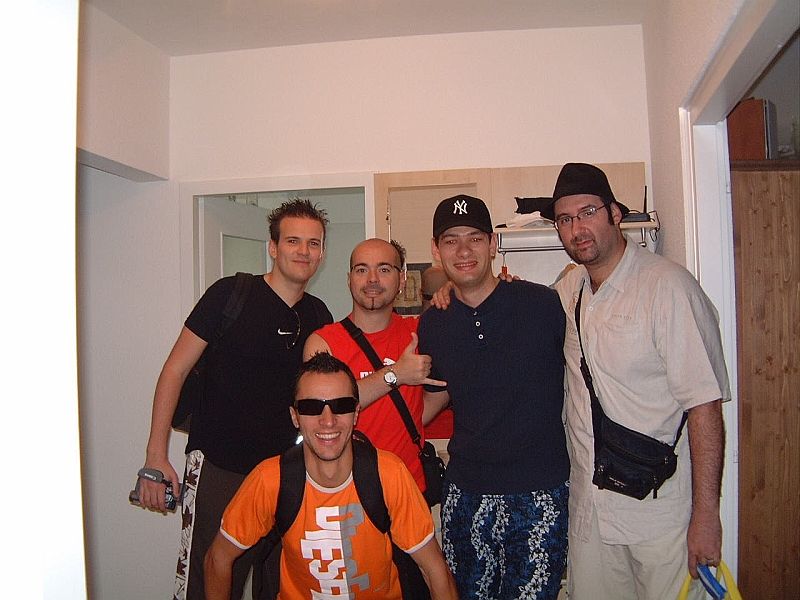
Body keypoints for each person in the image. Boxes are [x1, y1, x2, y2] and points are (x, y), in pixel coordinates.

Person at [543, 163, 729, 600]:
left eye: (588, 213)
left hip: (659, 514)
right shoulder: (570, 290)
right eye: (565, 220)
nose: (577, 229)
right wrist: (455, 290)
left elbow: (704, 406)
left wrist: (707, 516)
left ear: (615, 213)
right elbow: (514, 308)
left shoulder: (668, 288)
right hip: (590, 513)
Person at [138, 199, 333, 600]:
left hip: (287, 475)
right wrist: (156, 456)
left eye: (313, 243)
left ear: (322, 253)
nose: (303, 251)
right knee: (206, 583)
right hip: (219, 470)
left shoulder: (318, 315)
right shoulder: (230, 294)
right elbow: (174, 370)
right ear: (273, 247)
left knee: (282, 588)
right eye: (293, 241)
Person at [204, 352, 459, 600]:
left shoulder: (388, 474)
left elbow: (434, 569)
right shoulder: (270, 479)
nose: (328, 421)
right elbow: (218, 558)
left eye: (341, 406)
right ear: (295, 417)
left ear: (356, 413)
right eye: (312, 407)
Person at [418, 194, 570, 599]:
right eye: (451, 240)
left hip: (540, 491)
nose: (463, 251)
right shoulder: (433, 324)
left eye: (474, 238)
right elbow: (430, 401)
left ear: (493, 244)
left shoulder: (543, 305)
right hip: (466, 494)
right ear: (436, 249)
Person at [303, 238, 443, 494]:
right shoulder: (323, 342)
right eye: (362, 270)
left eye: (384, 269)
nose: (372, 279)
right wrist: (396, 374)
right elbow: (324, 408)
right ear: (349, 280)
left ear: (402, 280)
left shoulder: (420, 333)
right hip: (345, 492)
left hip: (408, 488)